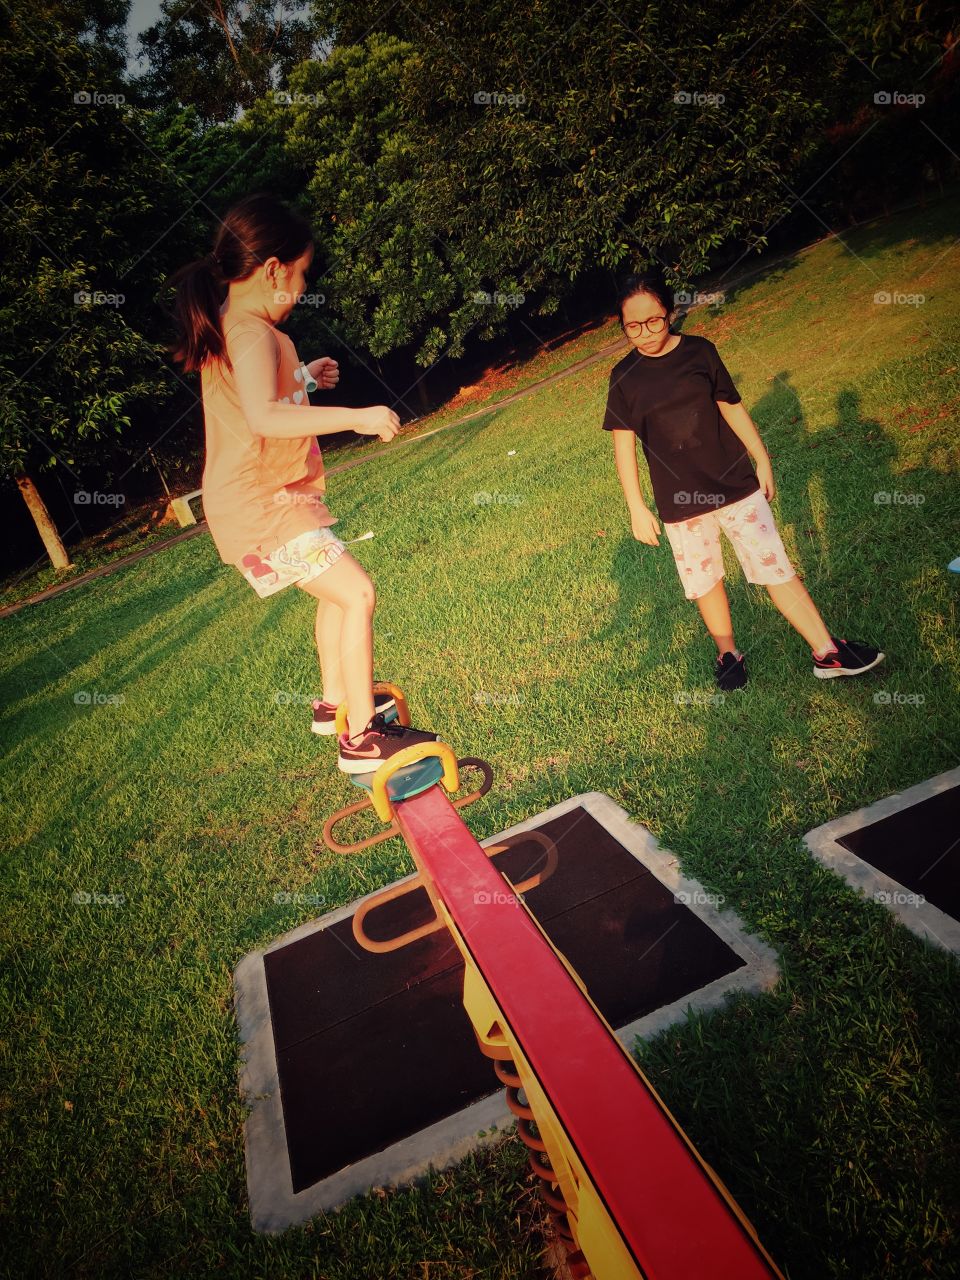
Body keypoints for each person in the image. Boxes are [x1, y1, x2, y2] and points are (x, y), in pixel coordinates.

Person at [167, 191, 438, 768]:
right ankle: (362, 738)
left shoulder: (240, 325)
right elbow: (265, 415)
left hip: (271, 496)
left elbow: (254, 402)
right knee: (358, 593)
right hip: (261, 502)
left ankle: (332, 704)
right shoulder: (247, 330)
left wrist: (306, 381)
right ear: (272, 269)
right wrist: (356, 416)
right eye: (302, 274)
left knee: (335, 594)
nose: (301, 287)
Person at [602, 272, 883, 690]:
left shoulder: (700, 352)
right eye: (633, 326)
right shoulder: (624, 377)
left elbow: (731, 406)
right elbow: (623, 446)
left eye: (654, 320)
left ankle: (827, 651)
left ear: (670, 313)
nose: (645, 333)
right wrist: (635, 506)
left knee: (775, 567)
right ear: (623, 325)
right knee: (707, 581)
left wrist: (762, 458)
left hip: (734, 485)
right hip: (679, 502)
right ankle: (728, 653)